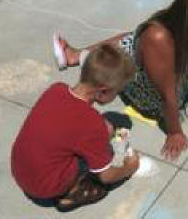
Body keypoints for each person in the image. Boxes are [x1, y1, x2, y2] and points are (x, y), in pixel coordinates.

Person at [52, 0, 188, 161]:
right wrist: (175, 131)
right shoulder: (157, 38)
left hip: (166, 77)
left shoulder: (178, 25)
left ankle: (74, 56)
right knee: (125, 45)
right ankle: (81, 57)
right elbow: (168, 96)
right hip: (149, 95)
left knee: (128, 39)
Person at [11, 45, 139, 212]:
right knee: (93, 161)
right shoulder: (92, 125)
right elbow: (106, 176)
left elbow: (68, 124)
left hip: (20, 170)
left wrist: (101, 130)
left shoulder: (56, 90)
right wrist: (130, 167)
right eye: (117, 92)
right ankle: (72, 193)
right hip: (45, 188)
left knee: (83, 137)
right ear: (103, 92)